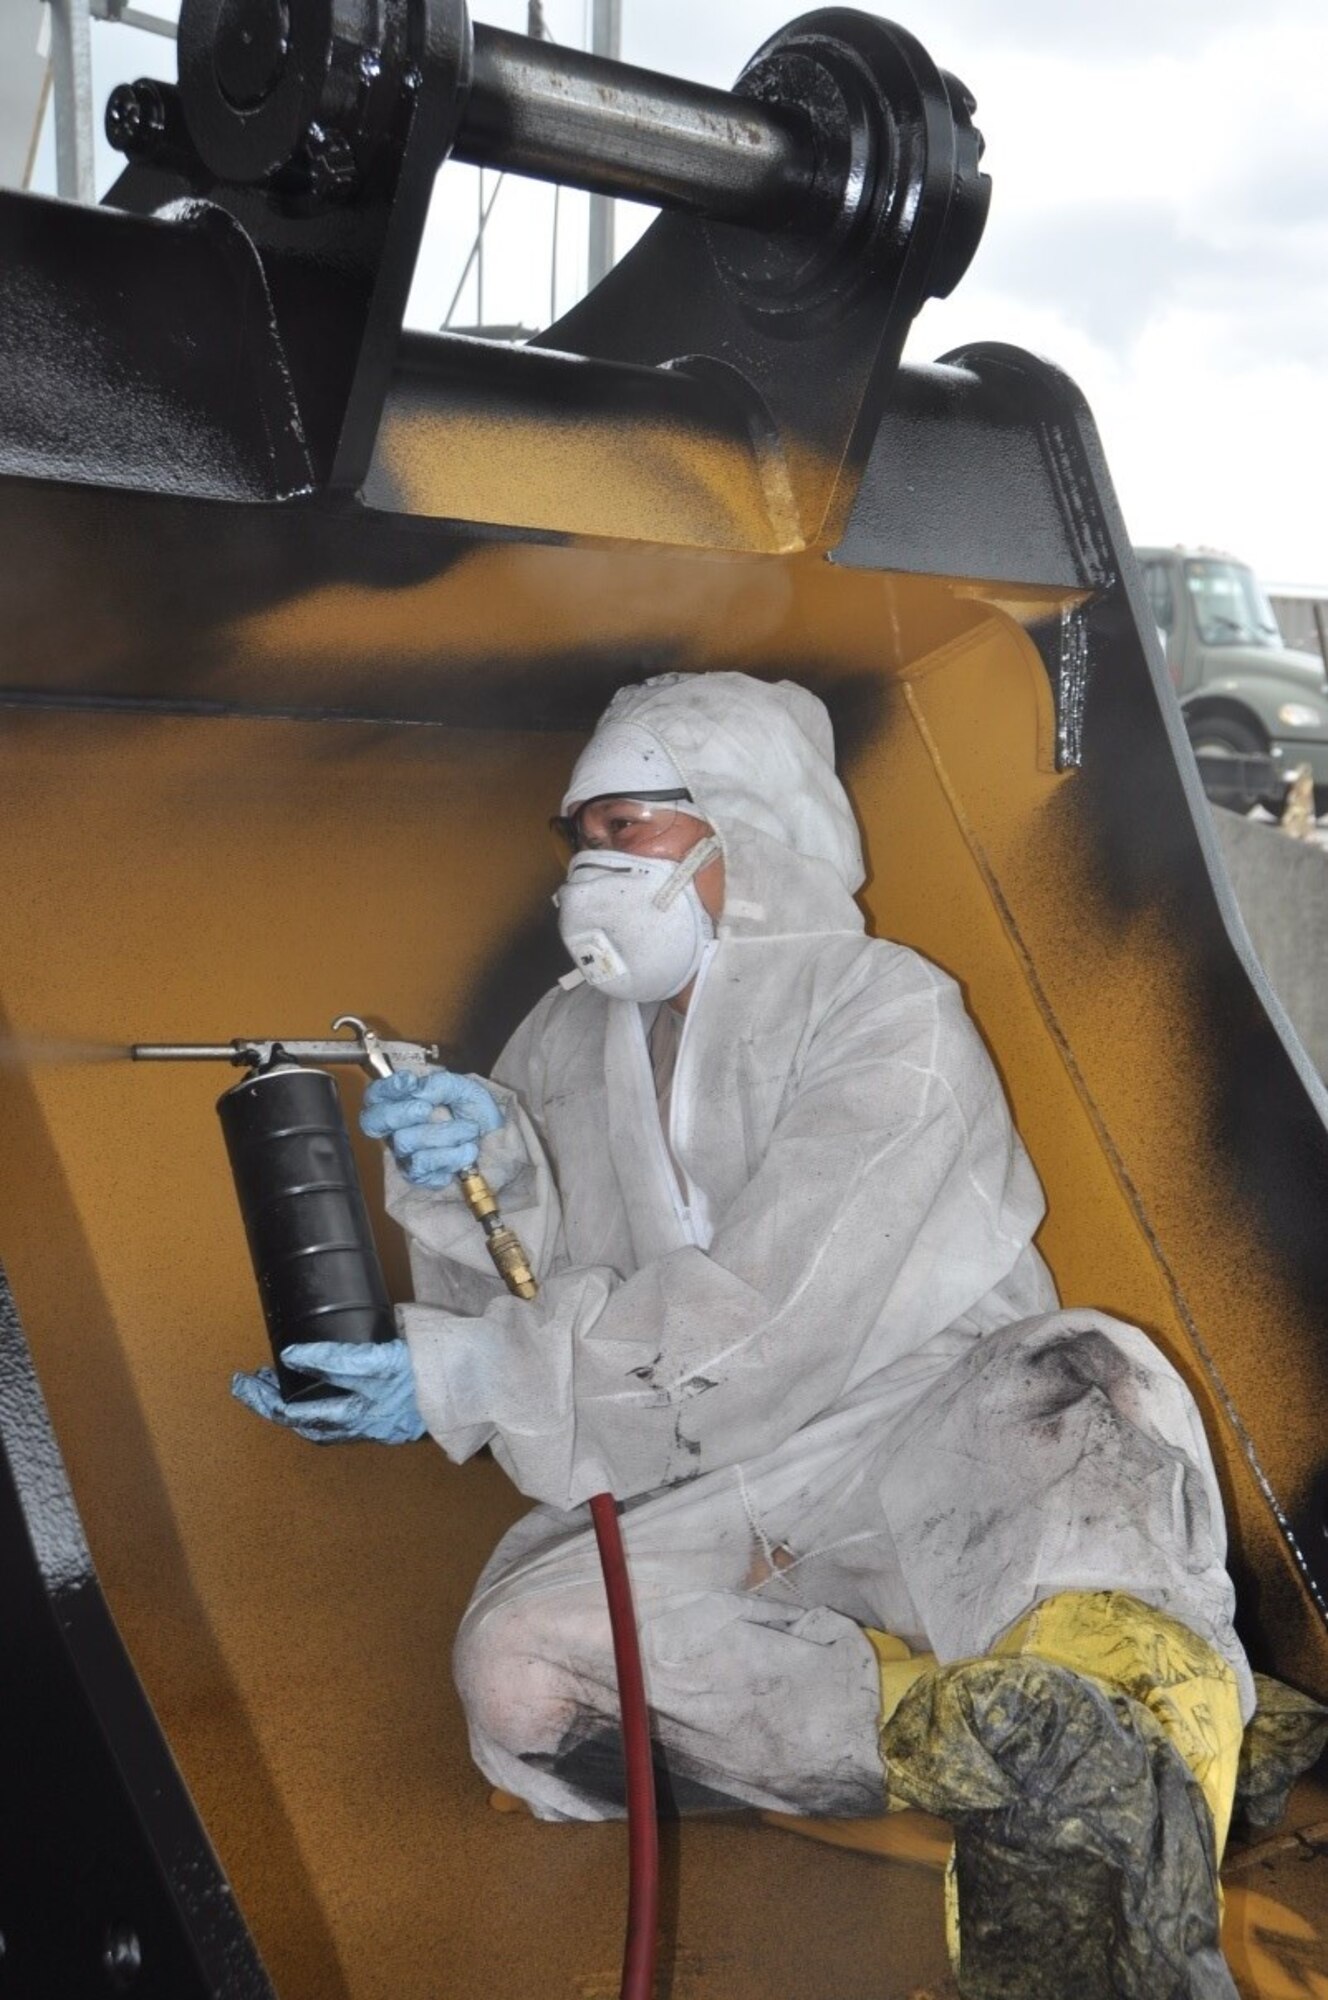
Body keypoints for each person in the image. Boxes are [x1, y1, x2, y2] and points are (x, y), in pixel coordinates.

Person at [235, 671, 1301, 1999]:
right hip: (729, 1487)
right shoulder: (565, 1041)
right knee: (516, 1675)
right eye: (584, 838)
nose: (592, 870)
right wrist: (487, 1174)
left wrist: (471, 1376)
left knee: (1084, 1393)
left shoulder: (885, 1011)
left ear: (747, 824)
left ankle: (1126, 1801)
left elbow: (781, 1309)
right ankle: (969, 1727)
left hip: (932, 1425)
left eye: (630, 830)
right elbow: (536, 1298)